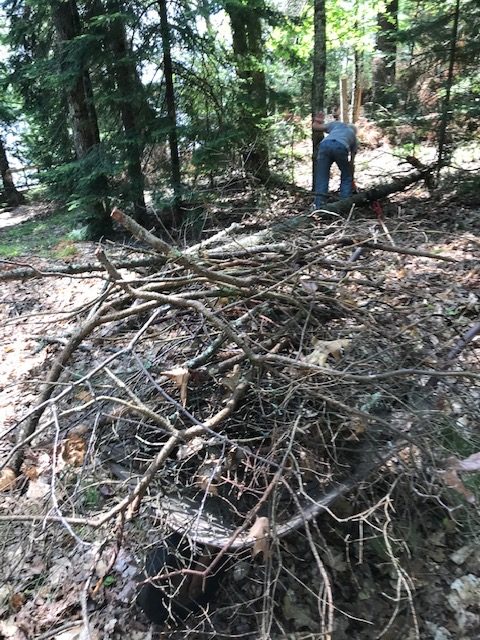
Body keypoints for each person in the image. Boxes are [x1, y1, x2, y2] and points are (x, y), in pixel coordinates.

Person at [312, 113, 358, 209]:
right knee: (346, 176)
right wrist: (351, 177)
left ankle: (319, 205)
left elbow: (315, 127)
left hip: (324, 145)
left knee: (322, 176)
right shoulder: (353, 137)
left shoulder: (337, 124)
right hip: (341, 147)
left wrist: (318, 119)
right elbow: (351, 163)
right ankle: (344, 203)